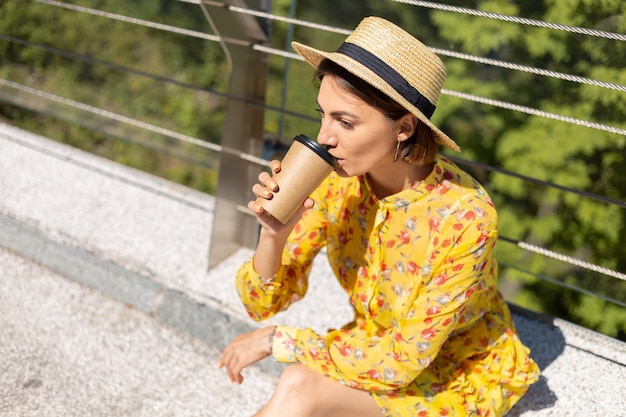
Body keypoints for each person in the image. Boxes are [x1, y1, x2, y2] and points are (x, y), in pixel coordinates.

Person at [218, 16, 540, 417]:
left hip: (454, 372)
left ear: (404, 127)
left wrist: (280, 343)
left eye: (345, 122)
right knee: (297, 384)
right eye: (323, 114)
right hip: (371, 351)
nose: (324, 138)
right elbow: (261, 306)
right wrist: (273, 235)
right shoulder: (337, 179)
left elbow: (403, 361)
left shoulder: (466, 217)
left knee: (298, 385)